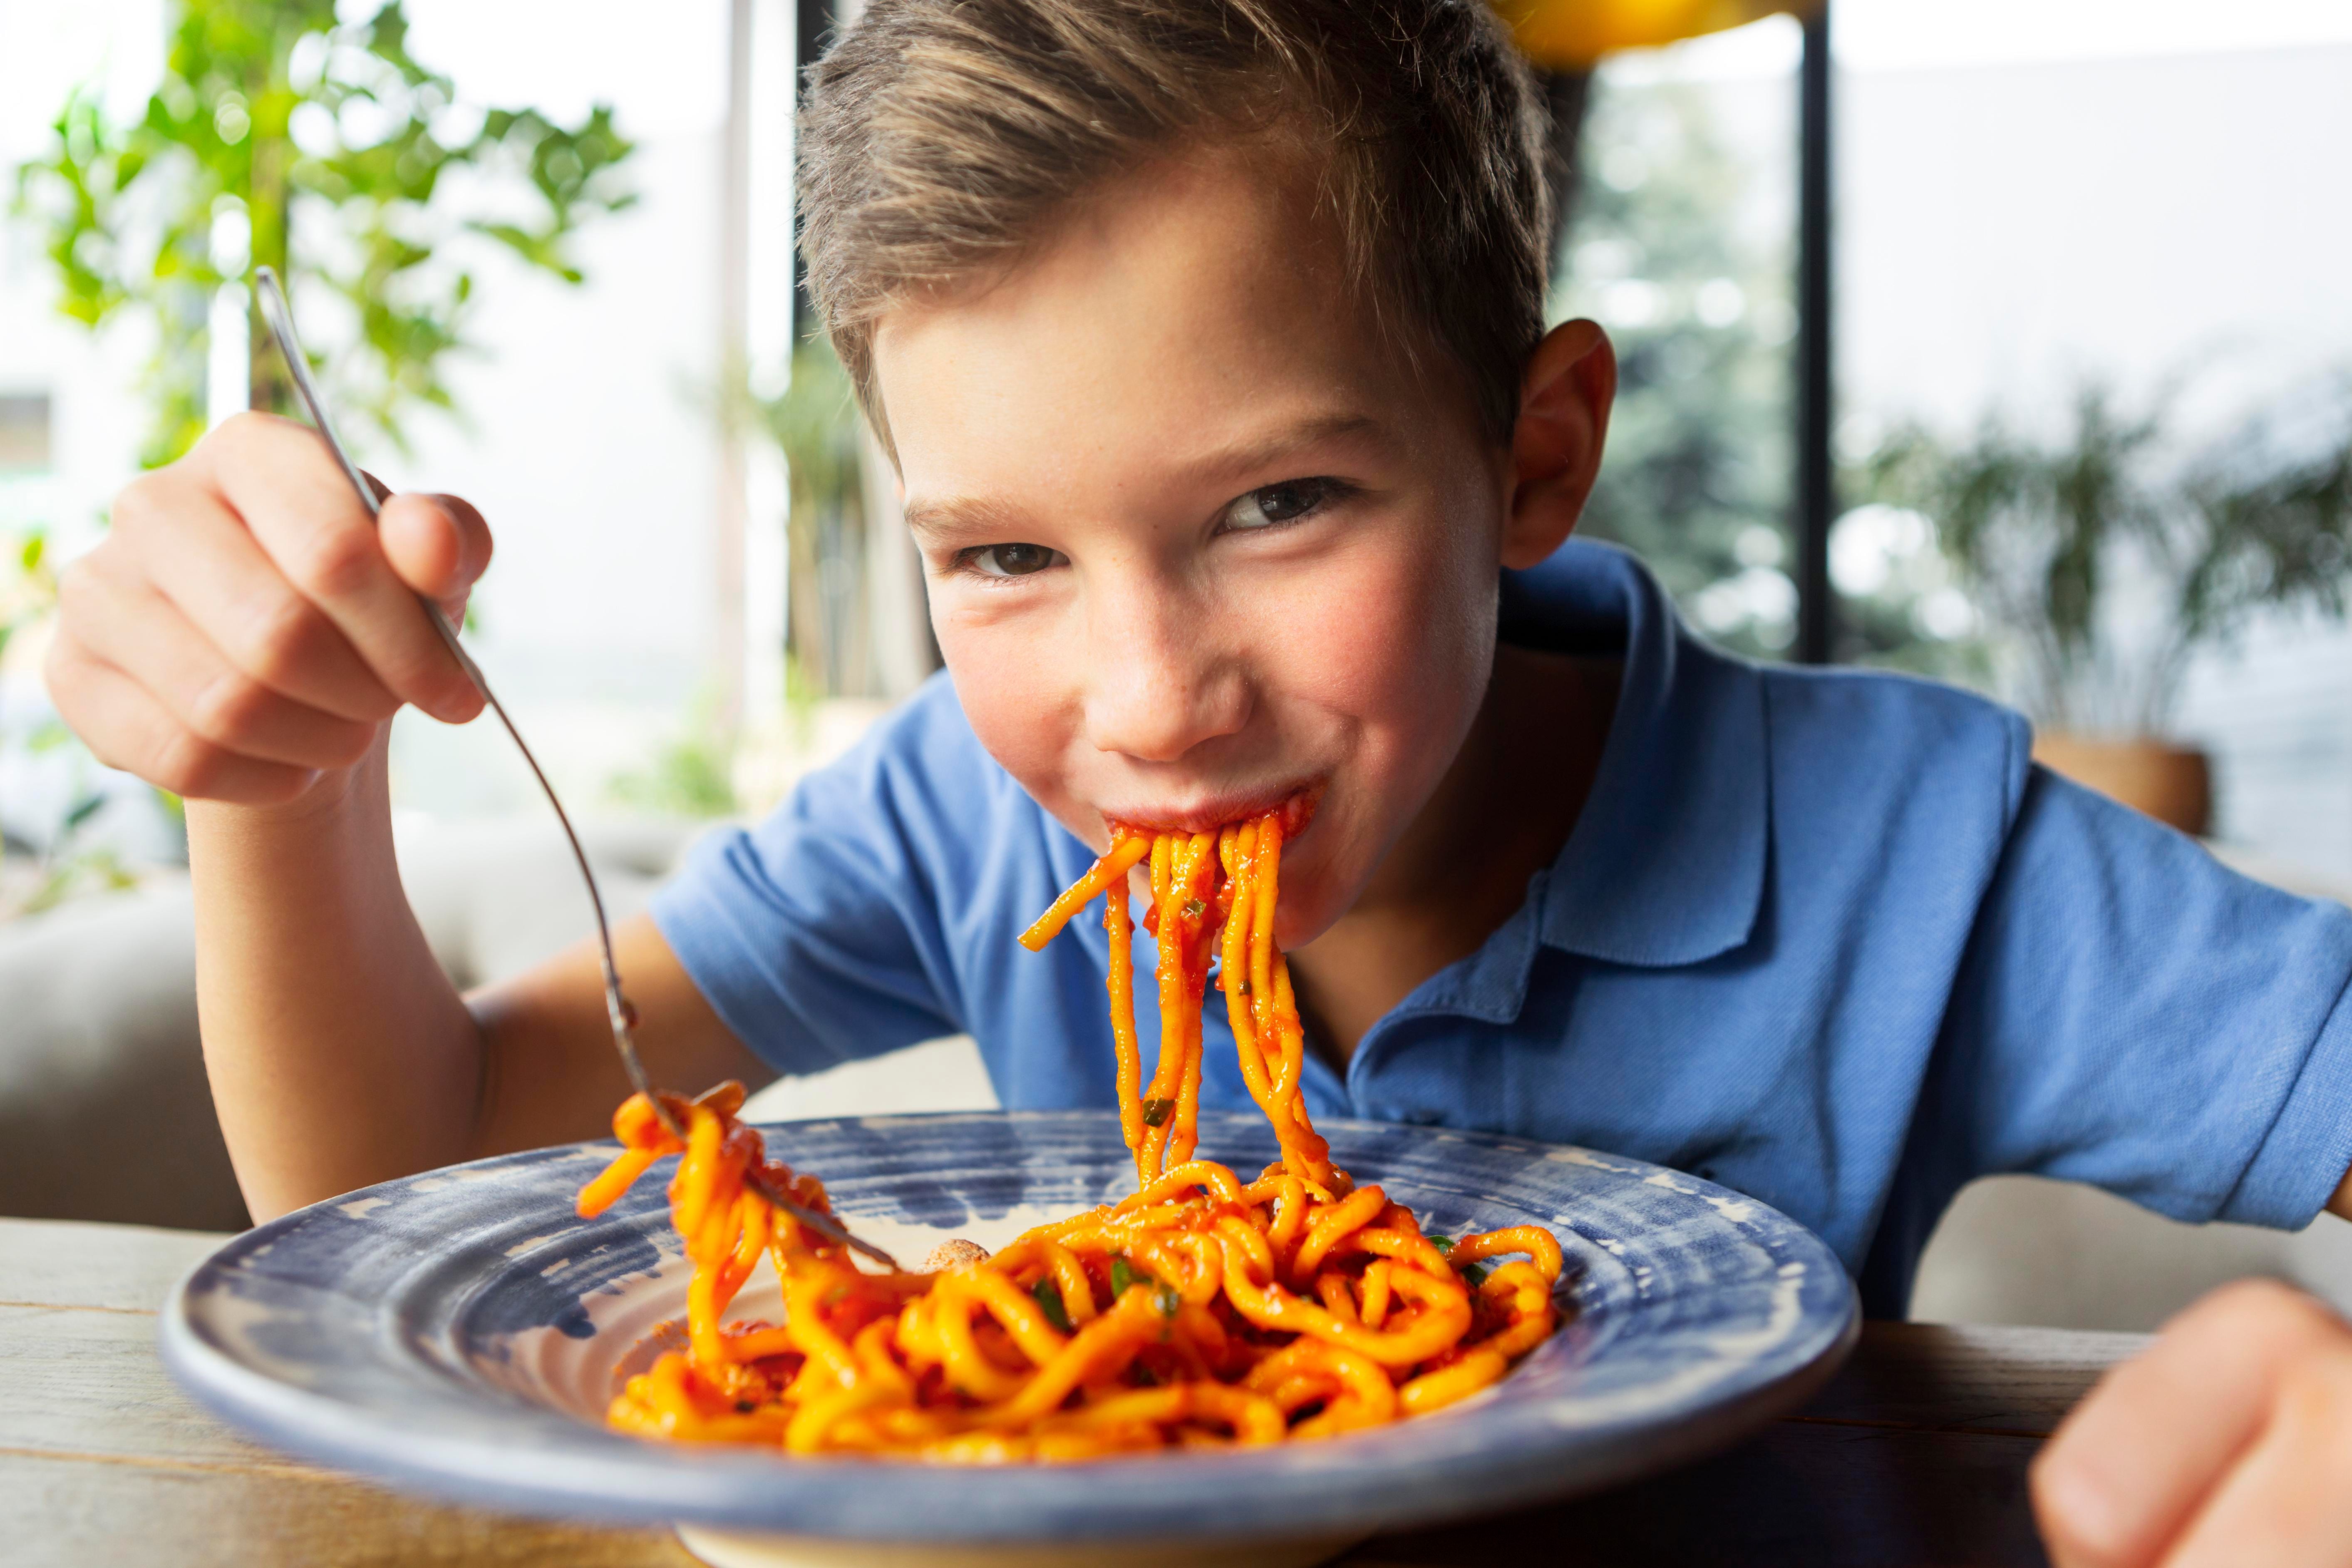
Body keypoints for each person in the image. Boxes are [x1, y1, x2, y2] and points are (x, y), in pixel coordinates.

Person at [40, 0, 2352, 1558]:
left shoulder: (1894, 850)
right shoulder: (968, 803)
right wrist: (277, 776)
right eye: (1009, 554)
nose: (1144, 700)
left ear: (1530, 450)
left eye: (1276, 509)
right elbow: (405, 1163)